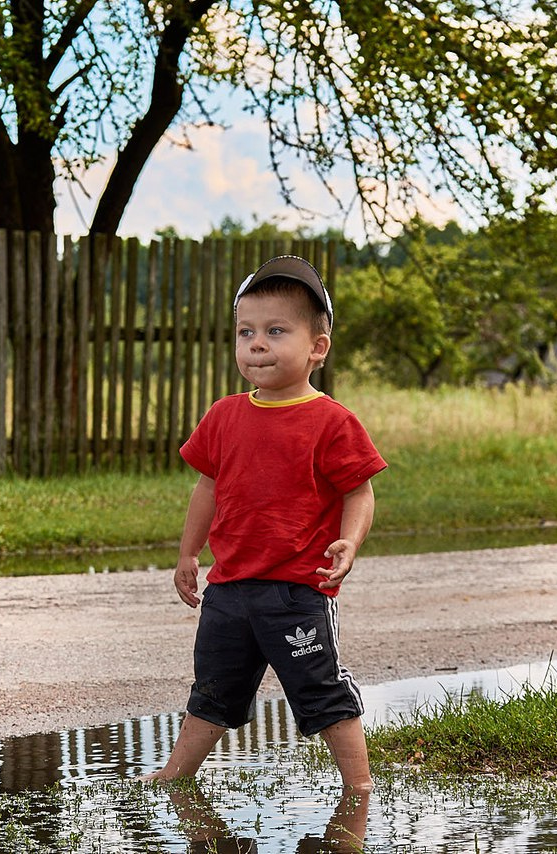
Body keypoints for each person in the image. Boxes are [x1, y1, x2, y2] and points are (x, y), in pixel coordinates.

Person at [143, 255, 386, 792]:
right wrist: (188, 553)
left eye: (276, 331)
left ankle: (359, 786)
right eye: (246, 332)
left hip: (298, 591)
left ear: (316, 347)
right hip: (229, 590)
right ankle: (176, 774)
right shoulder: (225, 415)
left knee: (321, 688)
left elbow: (359, 490)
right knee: (212, 688)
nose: (257, 344)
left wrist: (349, 540)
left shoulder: (332, 422)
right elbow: (206, 488)